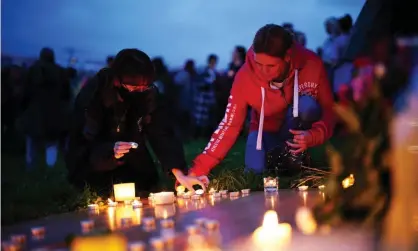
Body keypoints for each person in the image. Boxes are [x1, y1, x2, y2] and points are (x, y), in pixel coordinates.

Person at [175, 24, 335, 191]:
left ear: (287, 56)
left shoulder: (311, 64)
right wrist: (198, 169)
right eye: (259, 64)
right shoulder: (245, 76)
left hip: (295, 129)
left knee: (307, 105)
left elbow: (329, 110)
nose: (263, 72)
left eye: (271, 66)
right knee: (254, 172)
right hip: (263, 132)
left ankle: (298, 159)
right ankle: (281, 159)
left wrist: (314, 135)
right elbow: (230, 124)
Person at [65, 49, 190, 197]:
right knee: (103, 196)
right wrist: (110, 151)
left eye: (146, 86)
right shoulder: (95, 95)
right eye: (136, 88)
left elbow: (162, 131)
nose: (142, 91)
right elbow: (83, 141)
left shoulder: (147, 92)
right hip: (96, 167)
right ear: (119, 81)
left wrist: (178, 171)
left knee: (144, 191)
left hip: (134, 163)